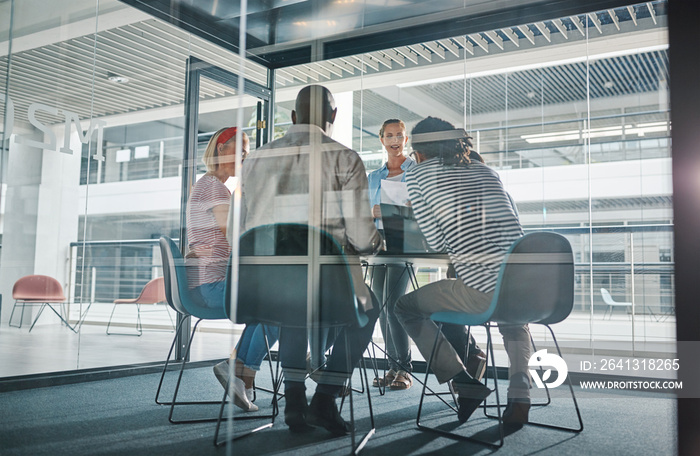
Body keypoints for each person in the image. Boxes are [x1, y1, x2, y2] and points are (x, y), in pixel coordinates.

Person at [240, 85, 382, 435]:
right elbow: (362, 239)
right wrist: (378, 241)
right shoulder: (345, 158)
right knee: (368, 311)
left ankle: (293, 402)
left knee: (292, 314)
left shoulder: (256, 159)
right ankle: (326, 398)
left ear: (292, 117)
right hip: (327, 286)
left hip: (267, 285)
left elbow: (247, 227)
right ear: (333, 117)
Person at [394, 117, 531, 427]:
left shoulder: (417, 175)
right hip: (523, 286)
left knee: (405, 308)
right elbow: (515, 230)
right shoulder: (486, 171)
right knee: (512, 319)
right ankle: (520, 398)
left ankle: (463, 382)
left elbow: (435, 241)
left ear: (418, 148)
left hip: (480, 292)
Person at [184, 126, 279, 413]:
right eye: (240, 148)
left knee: (270, 308)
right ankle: (242, 374)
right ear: (221, 149)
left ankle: (239, 374)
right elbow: (233, 236)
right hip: (209, 287)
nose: (245, 156)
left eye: (247, 151)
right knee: (278, 306)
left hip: (210, 282)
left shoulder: (216, 187)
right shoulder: (212, 186)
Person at [366, 119, 416, 390]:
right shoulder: (374, 176)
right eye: (389, 135)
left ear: (406, 139)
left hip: (406, 244)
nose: (395, 140)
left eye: (399, 135)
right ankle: (392, 367)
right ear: (382, 139)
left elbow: (421, 211)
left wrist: (388, 211)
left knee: (394, 305)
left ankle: (404, 369)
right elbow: (364, 211)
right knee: (381, 307)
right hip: (378, 244)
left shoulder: (417, 171)